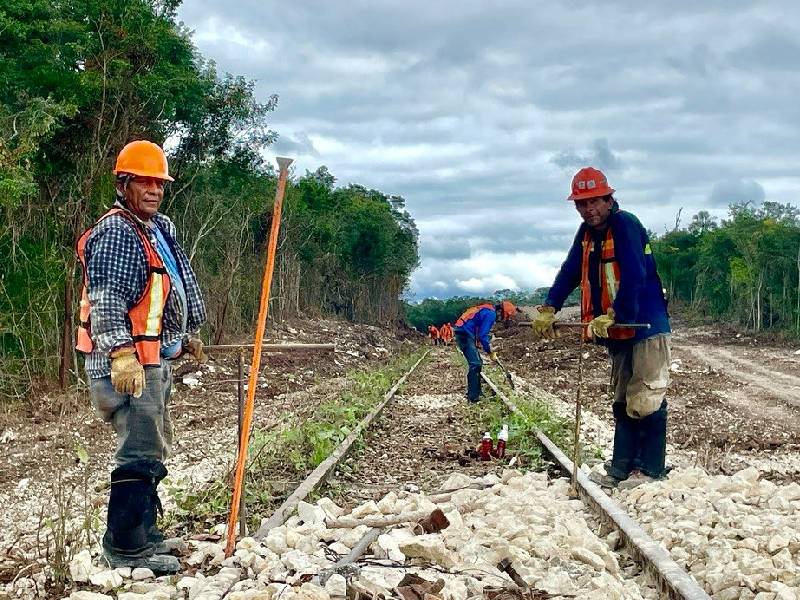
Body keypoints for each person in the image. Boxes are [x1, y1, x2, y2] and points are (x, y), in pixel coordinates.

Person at [76, 140, 208, 571]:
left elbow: (168, 285)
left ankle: (144, 535)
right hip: (127, 365)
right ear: (123, 183)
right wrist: (120, 353)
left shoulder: (155, 227)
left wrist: (185, 332)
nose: (153, 189)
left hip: (152, 358)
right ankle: (126, 547)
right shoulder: (117, 231)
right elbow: (107, 297)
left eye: (159, 182)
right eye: (144, 181)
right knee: (137, 448)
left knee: (152, 444)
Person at [532, 167, 671, 489]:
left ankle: (651, 470)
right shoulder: (586, 233)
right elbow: (569, 271)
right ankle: (622, 467)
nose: (588, 209)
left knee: (647, 395)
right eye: (582, 204)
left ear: (608, 199)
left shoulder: (625, 225)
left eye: (594, 202)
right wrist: (550, 305)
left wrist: (616, 313)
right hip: (617, 328)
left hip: (645, 323)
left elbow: (635, 273)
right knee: (623, 398)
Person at [453, 300, 517, 402]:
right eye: (504, 317)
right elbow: (483, 335)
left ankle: (477, 392)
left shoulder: (486, 310)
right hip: (464, 333)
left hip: (463, 331)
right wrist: (490, 351)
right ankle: (473, 397)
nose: (501, 320)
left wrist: (482, 346)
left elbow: (478, 329)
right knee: (475, 364)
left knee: (478, 363)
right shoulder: (490, 314)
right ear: (501, 312)